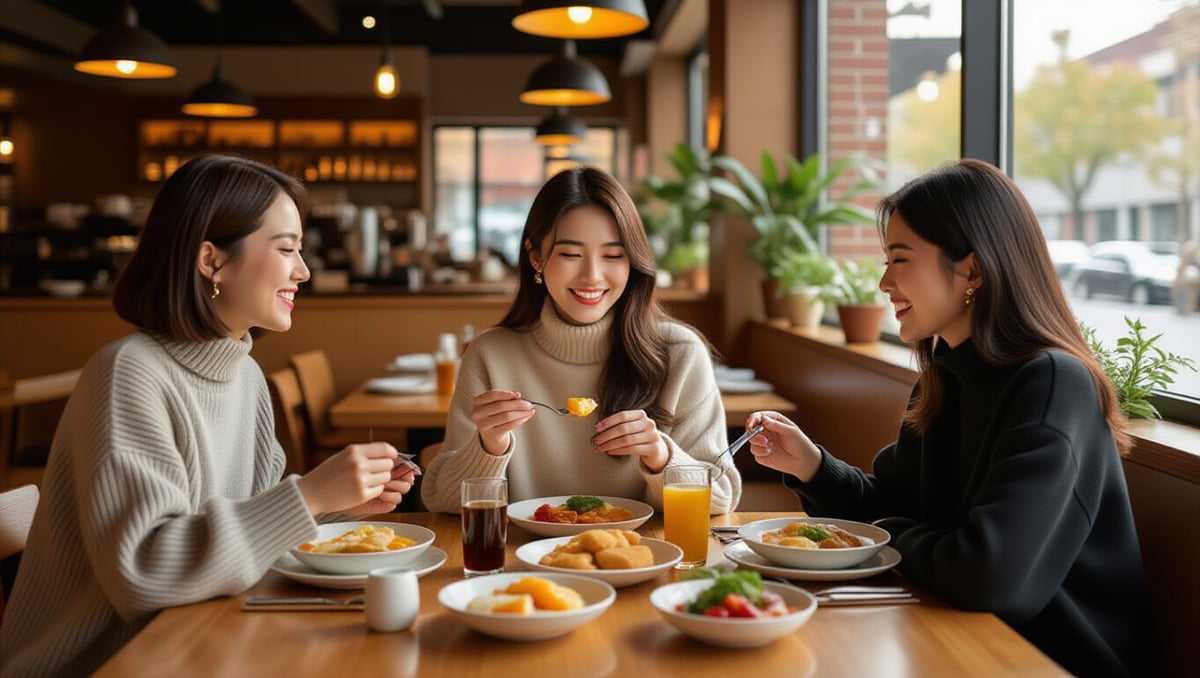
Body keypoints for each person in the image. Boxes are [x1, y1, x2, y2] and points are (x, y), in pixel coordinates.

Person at [0, 155, 416, 677]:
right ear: (211, 261)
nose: (303, 271)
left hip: (201, 641)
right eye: (287, 249)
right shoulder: (128, 374)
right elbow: (144, 572)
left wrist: (338, 506)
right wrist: (310, 495)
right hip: (111, 661)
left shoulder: (244, 375)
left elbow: (255, 521)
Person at [745, 159, 1153, 678]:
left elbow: (990, 575)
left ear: (973, 270)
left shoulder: (1052, 383)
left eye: (900, 260)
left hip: (1040, 658)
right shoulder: (945, 377)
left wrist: (885, 533)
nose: (884, 282)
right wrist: (814, 468)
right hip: (952, 634)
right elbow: (894, 506)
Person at [420, 166, 740, 514]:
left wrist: (660, 456)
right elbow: (442, 498)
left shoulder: (679, 352)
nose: (592, 276)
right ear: (536, 257)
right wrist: (489, 445)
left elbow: (720, 497)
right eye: (571, 254)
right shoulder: (491, 354)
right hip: (524, 563)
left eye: (614, 255)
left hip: (644, 560)